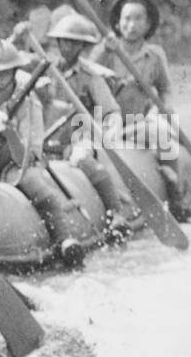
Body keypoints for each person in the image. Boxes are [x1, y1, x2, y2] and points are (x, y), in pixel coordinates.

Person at [0, 40, 87, 266]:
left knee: (37, 187)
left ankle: (63, 238)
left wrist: (9, 133)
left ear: (13, 74)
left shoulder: (29, 104)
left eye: (3, 74)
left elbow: (25, 159)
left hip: (13, 166)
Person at [89, 0, 191, 220]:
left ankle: (176, 197)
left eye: (138, 19)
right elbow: (86, 73)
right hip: (105, 123)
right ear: (118, 23)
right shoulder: (106, 50)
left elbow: (165, 88)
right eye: (126, 19)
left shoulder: (155, 55)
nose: (131, 25)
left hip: (136, 125)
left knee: (163, 134)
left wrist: (165, 108)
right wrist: (103, 51)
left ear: (147, 25)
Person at [42, 14, 133, 237]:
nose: (66, 47)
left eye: (73, 42)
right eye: (63, 41)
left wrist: (109, 133)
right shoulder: (45, 69)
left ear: (82, 46)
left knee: (82, 158)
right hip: (45, 137)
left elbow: (111, 111)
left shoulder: (91, 76)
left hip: (78, 138)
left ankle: (116, 213)